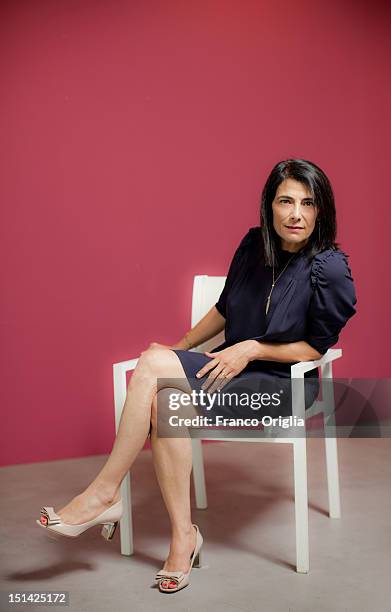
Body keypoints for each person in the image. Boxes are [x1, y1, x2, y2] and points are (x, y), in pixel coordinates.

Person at [36, 158, 357, 593]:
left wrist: (254, 348)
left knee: (153, 365)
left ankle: (104, 495)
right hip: (225, 371)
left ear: (321, 210)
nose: (296, 213)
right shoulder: (252, 246)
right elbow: (225, 310)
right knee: (164, 395)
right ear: (270, 205)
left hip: (284, 385)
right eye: (285, 201)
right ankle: (183, 536)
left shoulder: (329, 267)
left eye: (307, 202)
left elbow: (317, 347)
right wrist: (181, 348)